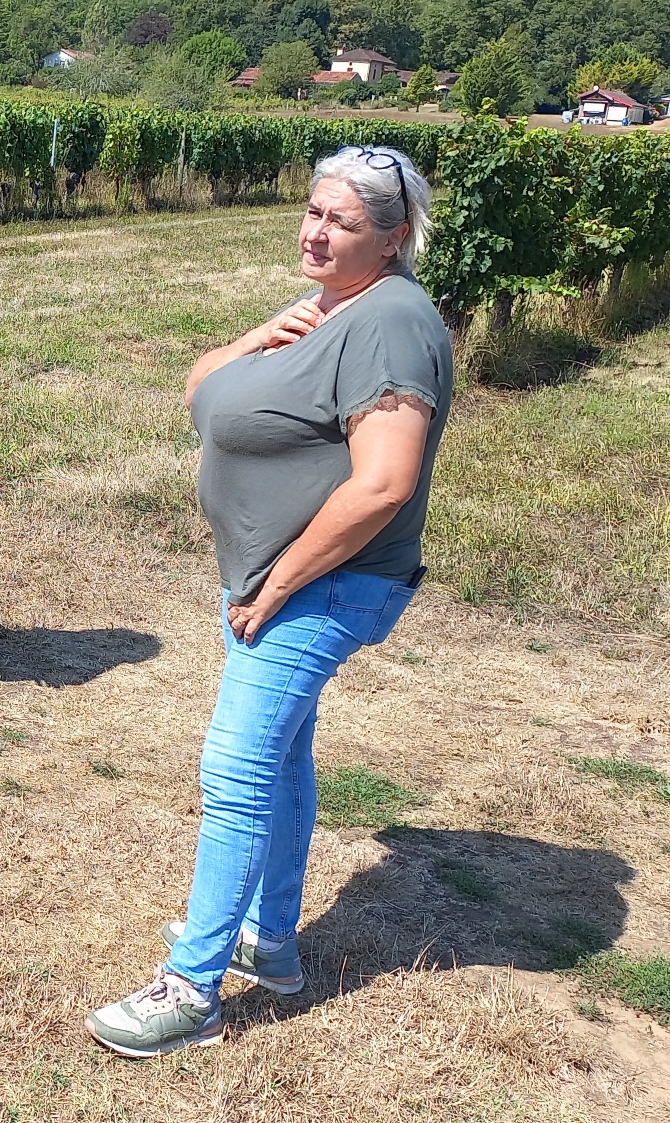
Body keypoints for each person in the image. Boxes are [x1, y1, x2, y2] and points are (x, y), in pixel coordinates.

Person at [85, 146, 454, 1058]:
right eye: (313, 211)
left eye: (340, 221)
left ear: (394, 235)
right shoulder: (333, 307)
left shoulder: (394, 323)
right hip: (274, 582)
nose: (314, 231)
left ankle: (192, 988)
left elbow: (384, 485)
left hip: (321, 585)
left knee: (238, 770)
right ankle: (271, 941)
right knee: (281, 758)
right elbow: (203, 388)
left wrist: (279, 583)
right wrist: (262, 335)